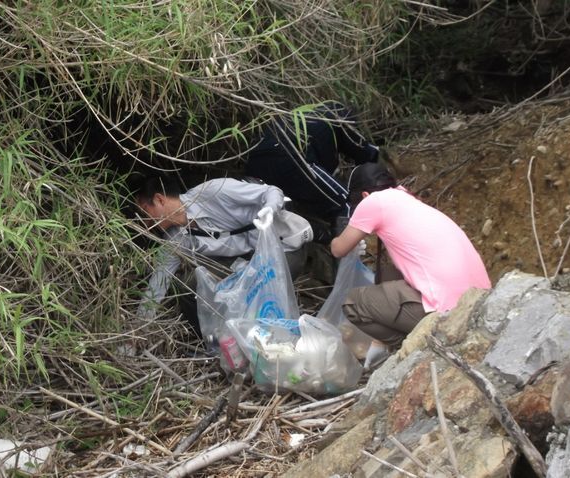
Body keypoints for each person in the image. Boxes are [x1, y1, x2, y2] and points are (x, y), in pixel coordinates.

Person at [330, 163, 491, 369]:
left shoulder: (373, 202)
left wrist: (332, 236)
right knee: (390, 270)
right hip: (480, 301)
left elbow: (338, 249)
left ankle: (411, 347)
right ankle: (394, 343)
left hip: (447, 311)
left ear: (363, 195)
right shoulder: (406, 198)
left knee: (353, 302)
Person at [132, 174, 312, 333]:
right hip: (246, 261)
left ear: (159, 200)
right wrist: (137, 330)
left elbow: (271, 191)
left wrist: (269, 211)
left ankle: (269, 336)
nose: (146, 222)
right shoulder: (176, 238)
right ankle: (215, 342)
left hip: (284, 248)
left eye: (145, 212)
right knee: (191, 285)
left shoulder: (213, 192)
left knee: (262, 288)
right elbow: (158, 283)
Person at [245, 102, 380, 234]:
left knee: (283, 210)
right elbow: (362, 150)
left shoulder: (302, 118)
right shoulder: (338, 114)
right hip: (291, 158)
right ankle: (347, 254)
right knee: (344, 204)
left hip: (255, 163)